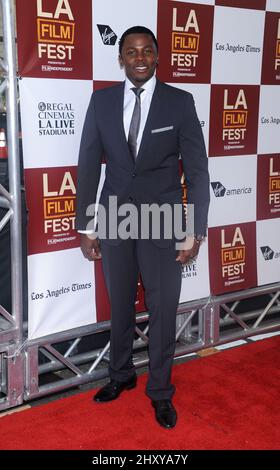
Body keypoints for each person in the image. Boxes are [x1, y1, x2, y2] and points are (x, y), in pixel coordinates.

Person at [76, 26, 210, 429]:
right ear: (121, 57)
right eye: (131, 51)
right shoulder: (101, 103)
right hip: (115, 216)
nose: (139, 58)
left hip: (163, 218)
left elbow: (199, 172)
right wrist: (87, 225)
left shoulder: (180, 102)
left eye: (146, 50)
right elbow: (87, 166)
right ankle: (121, 376)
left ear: (157, 56)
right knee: (119, 303)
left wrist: (195, 230)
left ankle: (161, 392)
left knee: (163, 307)